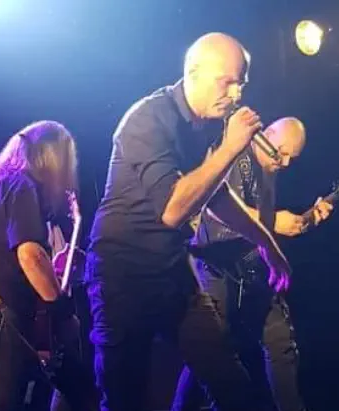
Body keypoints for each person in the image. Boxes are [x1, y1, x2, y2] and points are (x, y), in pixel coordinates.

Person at [86, 32, 291, 411]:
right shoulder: (148, 119)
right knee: (124, 396)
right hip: (121, 273)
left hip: (171, 271)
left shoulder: (209, 124)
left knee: (230, 382)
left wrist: (268, 244)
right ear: (193, 71)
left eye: (241, 84)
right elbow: (172, 210)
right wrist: (231, 147)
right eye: (226, 82)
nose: (236, 94)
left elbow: (215, 195)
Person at [173, 117, 333, 411]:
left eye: (291, 157)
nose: (284, 162)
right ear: (266, 134)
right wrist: (273, 223)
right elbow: (219, 210)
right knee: (211, 349)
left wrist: (304, 220)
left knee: (280, 342)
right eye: (281, 152)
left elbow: (266, 223)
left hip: (249, 265)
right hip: (213, 262)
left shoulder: (269, 166)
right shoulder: (236, 153)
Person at [0, 120, 97, 411]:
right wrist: (62, 312)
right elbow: (30, 256)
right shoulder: (21, 186)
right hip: (9, 317)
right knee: (3, 401)